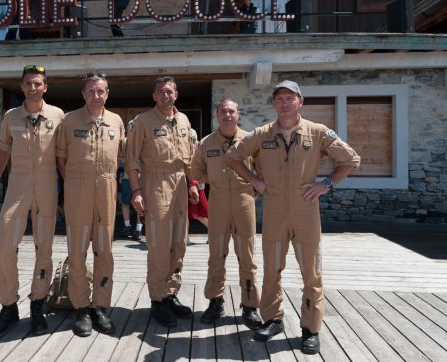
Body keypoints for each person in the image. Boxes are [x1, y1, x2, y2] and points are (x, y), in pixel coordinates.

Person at [225, 80, 360, 354]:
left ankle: (310, 329)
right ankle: (273, 319)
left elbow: (350, 159)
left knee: (311, 273)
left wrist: (326, 184)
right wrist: (255, 181)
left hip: (305, 211)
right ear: (274, 103)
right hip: (274, 211)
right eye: (279, 98)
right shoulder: (262, 134)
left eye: (290, 97)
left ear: (300, 101)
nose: (284, 102)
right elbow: (232, 156)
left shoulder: (319, 132)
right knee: (272, 268)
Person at [0, 64, 65, 339]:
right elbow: (2, 152)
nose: (33, 88)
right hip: (17, 188)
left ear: (45, 87)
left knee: (44, 248)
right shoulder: (10, 116)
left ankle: (37, 305)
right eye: (28, 83)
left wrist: (67, 190)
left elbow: (62, 157)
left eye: (38, 83)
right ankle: (8, 307)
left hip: (46, 188)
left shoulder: (58, 116)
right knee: (5, 244)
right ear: (22, 87)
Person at [125, 76, 199, 327]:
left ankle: (170, 293)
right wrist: (136, 191)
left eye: (169, 91)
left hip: (180, 184)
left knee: (179, 242)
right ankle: (157, 300)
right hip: (155, 183)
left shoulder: (184, 120)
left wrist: (192, 184)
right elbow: (132, 160)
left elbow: (189, 158)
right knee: (158, 245)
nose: (165, 96)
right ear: (154, 96)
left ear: (176, 94)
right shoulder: (142, 122)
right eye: (160, 92)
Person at [56, 72, 125, 337]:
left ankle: (100, 306)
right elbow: (60, 158)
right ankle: (81, 308)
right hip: (77, 189)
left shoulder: (116, 121)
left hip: (107, 189)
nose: (96, 95)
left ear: (107, 94)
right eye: (91, 91)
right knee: (77, 249)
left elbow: (121, 155)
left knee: (104, 249)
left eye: (101, 91)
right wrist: (74, 182)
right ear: (83, 94)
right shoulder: (70, 120)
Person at [190, 98, 262, 328]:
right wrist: (210, 181)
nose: (228, 115)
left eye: (232, 111)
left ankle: (250, 305)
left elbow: (263, 170)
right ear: (217, 115)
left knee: (246, 256)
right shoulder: (206, 142)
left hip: (244, 201)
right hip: (218, 201)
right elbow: (195, 169)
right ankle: (215, 301)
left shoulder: (250, 140)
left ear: (238, 114)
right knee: (216, 255)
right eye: (223, 111)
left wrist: (252, 190)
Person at [118, 160, 142, 241]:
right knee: (139, 202)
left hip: (127, 176)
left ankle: (127, 226)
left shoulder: (127, 148)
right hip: (140, 176)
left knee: (125, 203)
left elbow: (120, 158)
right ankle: (139, 228)